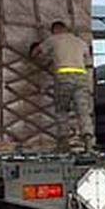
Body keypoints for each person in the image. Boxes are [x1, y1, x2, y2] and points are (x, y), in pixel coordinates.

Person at [32, 21, 94, 152]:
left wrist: (36, 57)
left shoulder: (53, 39)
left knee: (62, 110)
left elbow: (37, 52)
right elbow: (87, 59)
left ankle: (63, 143)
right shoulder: (80, 42)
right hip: (82, 78)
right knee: (83, 111)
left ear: (55, 30)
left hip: (64, 78)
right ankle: (88, 140)